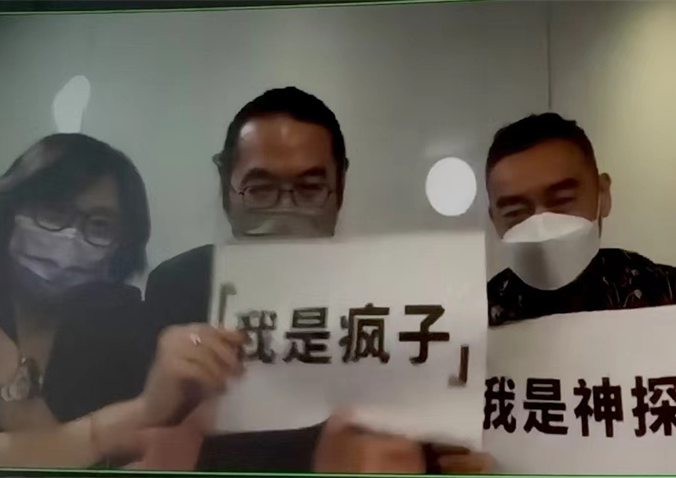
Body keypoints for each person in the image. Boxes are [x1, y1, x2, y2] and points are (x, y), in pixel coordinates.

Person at [146, 86, 488, 473]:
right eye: (260, 189)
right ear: (227, 186)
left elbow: (428, 452)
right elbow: (139, 447)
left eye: (309, 189)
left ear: (338, 189)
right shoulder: (177, 288)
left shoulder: (396, 302)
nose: (286, 210)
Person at [0, 133, 158, 467]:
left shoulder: (130, 334)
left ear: (120, 248)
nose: (68, 240)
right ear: (10, 212)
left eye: (99, 225)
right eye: (54, 211)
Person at [484, 113, 676, 403]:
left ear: (603, 194)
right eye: (515, 214)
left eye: (562, 201)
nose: (541, 226)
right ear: (495, 220)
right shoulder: (478, 321)